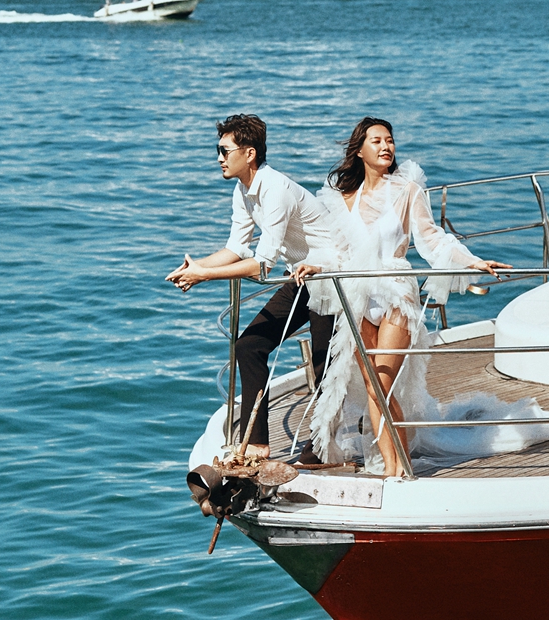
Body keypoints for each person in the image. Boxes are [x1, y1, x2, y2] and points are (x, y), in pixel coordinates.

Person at [296, 117, 509, 475]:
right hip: (358, 296)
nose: (385, 146)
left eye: (390, 140)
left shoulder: (407, 189)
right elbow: (336, 250)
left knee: (382, 382)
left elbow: (432, 238)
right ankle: (390, 466)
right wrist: (314, 265)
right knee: (372, 386)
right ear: (359, 151)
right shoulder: (342, 197)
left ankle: (402, 467)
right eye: (376, 140)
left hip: (396, 292)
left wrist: (473, 262)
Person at [166, 114, 345, 461]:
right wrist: (198, 266)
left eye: (224, 150)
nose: (219, 157)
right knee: (249, 345)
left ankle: (322, 448)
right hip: (301, 276)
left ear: (249, 154)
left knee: (324, 364)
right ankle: (258, 444)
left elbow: (264, 264)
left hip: (331, 275)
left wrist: (205, 276)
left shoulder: (275, 188)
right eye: (218, 150)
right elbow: (236, 248)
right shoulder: (243, 190)